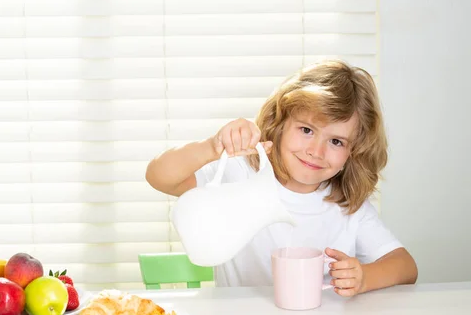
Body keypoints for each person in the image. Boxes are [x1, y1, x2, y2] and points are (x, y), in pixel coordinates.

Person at [145, 60, 418, 296]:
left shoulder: (347, 206)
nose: (316, 151)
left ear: (354, 152)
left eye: (336, 141)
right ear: (279, 123)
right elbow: (159, 177)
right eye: (306, 130)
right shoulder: (242, 173)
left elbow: (405, 266)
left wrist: (365, 277)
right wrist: (212, 147)